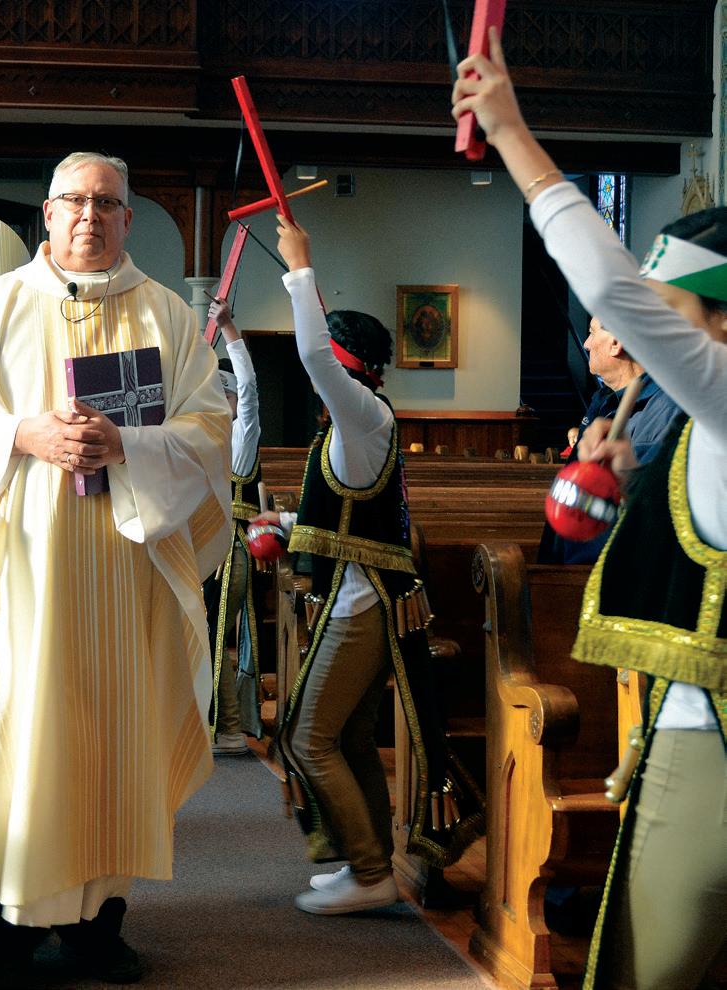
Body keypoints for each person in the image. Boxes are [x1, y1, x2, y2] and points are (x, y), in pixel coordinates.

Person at [0, 150, 231, 988]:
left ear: (127, 218)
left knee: (119, 741)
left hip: (127, 571)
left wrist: (128, 443)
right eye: (74, 201)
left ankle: (98, 927)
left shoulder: (165, 314)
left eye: (106, 203)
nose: (89, 216)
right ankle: (9, 927)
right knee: (13, 736)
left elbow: (209, 429)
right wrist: (20, 434)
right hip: (19, 571)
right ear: (46, 214)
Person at [453, 30, 726, 989]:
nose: (643, 328)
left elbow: (606, 283)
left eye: (667, 311)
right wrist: (631, 483)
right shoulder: (699, 425)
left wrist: (511, 132)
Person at [253, 219, 482, 916]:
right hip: (364, 595)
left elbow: (312, 356)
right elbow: (350, 515)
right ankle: (370, 863)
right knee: (347, 735)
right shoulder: (356, 421)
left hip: (363, 604)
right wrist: (286, 525)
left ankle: (369, 870)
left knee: (305, 736)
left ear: (343, 360)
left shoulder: (360, 413)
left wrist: (300, 269)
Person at [538, 316, 681, 563]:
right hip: (576, 562)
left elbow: (644, 512)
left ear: (616, 342)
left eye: (592, 332)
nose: (585, 344)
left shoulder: (664, 411)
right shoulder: (606, 400)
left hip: (605, 567)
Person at [203, 296, 264, 755]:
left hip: (230, 552)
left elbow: (249, 387)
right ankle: (222, 725)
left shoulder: (241, 436)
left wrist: (228, 330)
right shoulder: (207, 438)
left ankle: (228, 729)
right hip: (212, 548)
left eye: (218, 397)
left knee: (214, 636)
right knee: (207, 635)